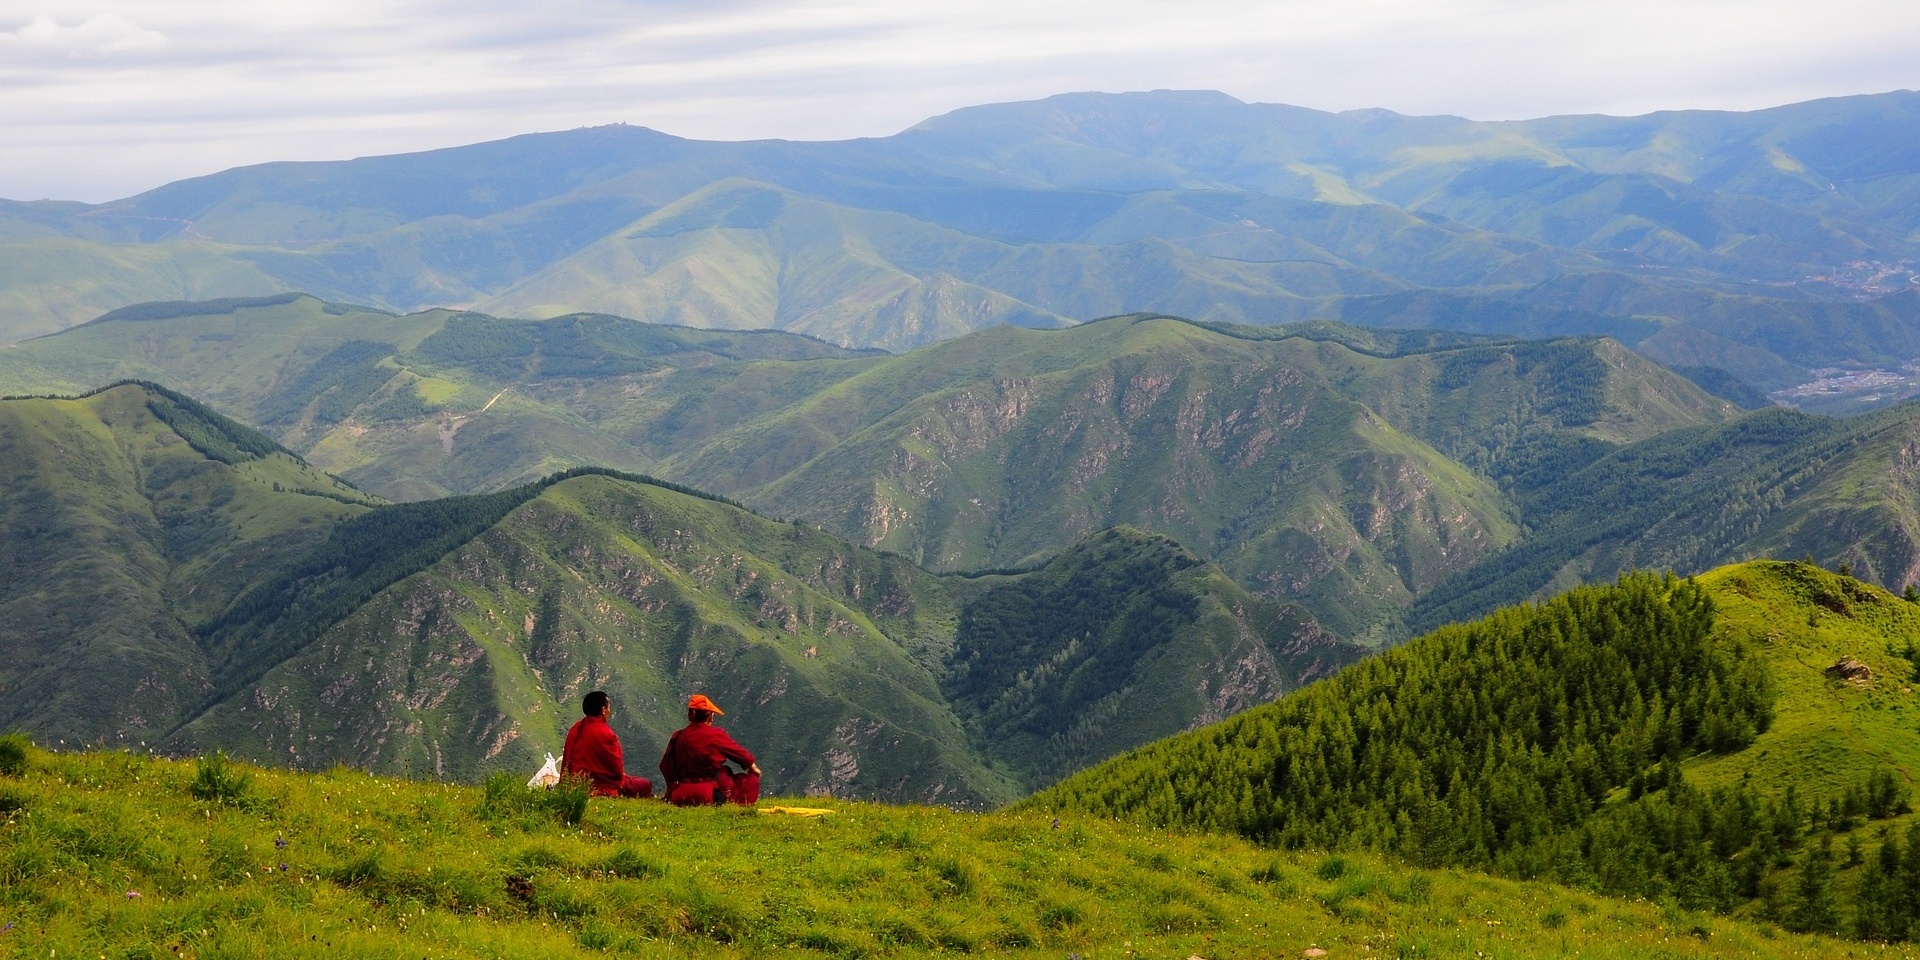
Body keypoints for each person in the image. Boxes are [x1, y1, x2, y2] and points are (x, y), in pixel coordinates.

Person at [659, 694, 762, 806]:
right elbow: (745, 757)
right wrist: (754, 769)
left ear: (690, 714)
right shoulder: (716, 734)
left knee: (724, 770)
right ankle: (738, 803)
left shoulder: (678, 735)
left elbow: (666, 765)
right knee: (751, 781)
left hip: (678, 795)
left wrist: (671, 790)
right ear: (711, 716)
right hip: (705, 795)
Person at [561, 690, 653, 798]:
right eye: (608, 707)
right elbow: (617, 774)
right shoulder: (606, 734)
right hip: (600, 787)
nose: (610, 710)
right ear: (603, 710)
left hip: (573, 784)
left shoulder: (575, 729)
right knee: (646, 784)